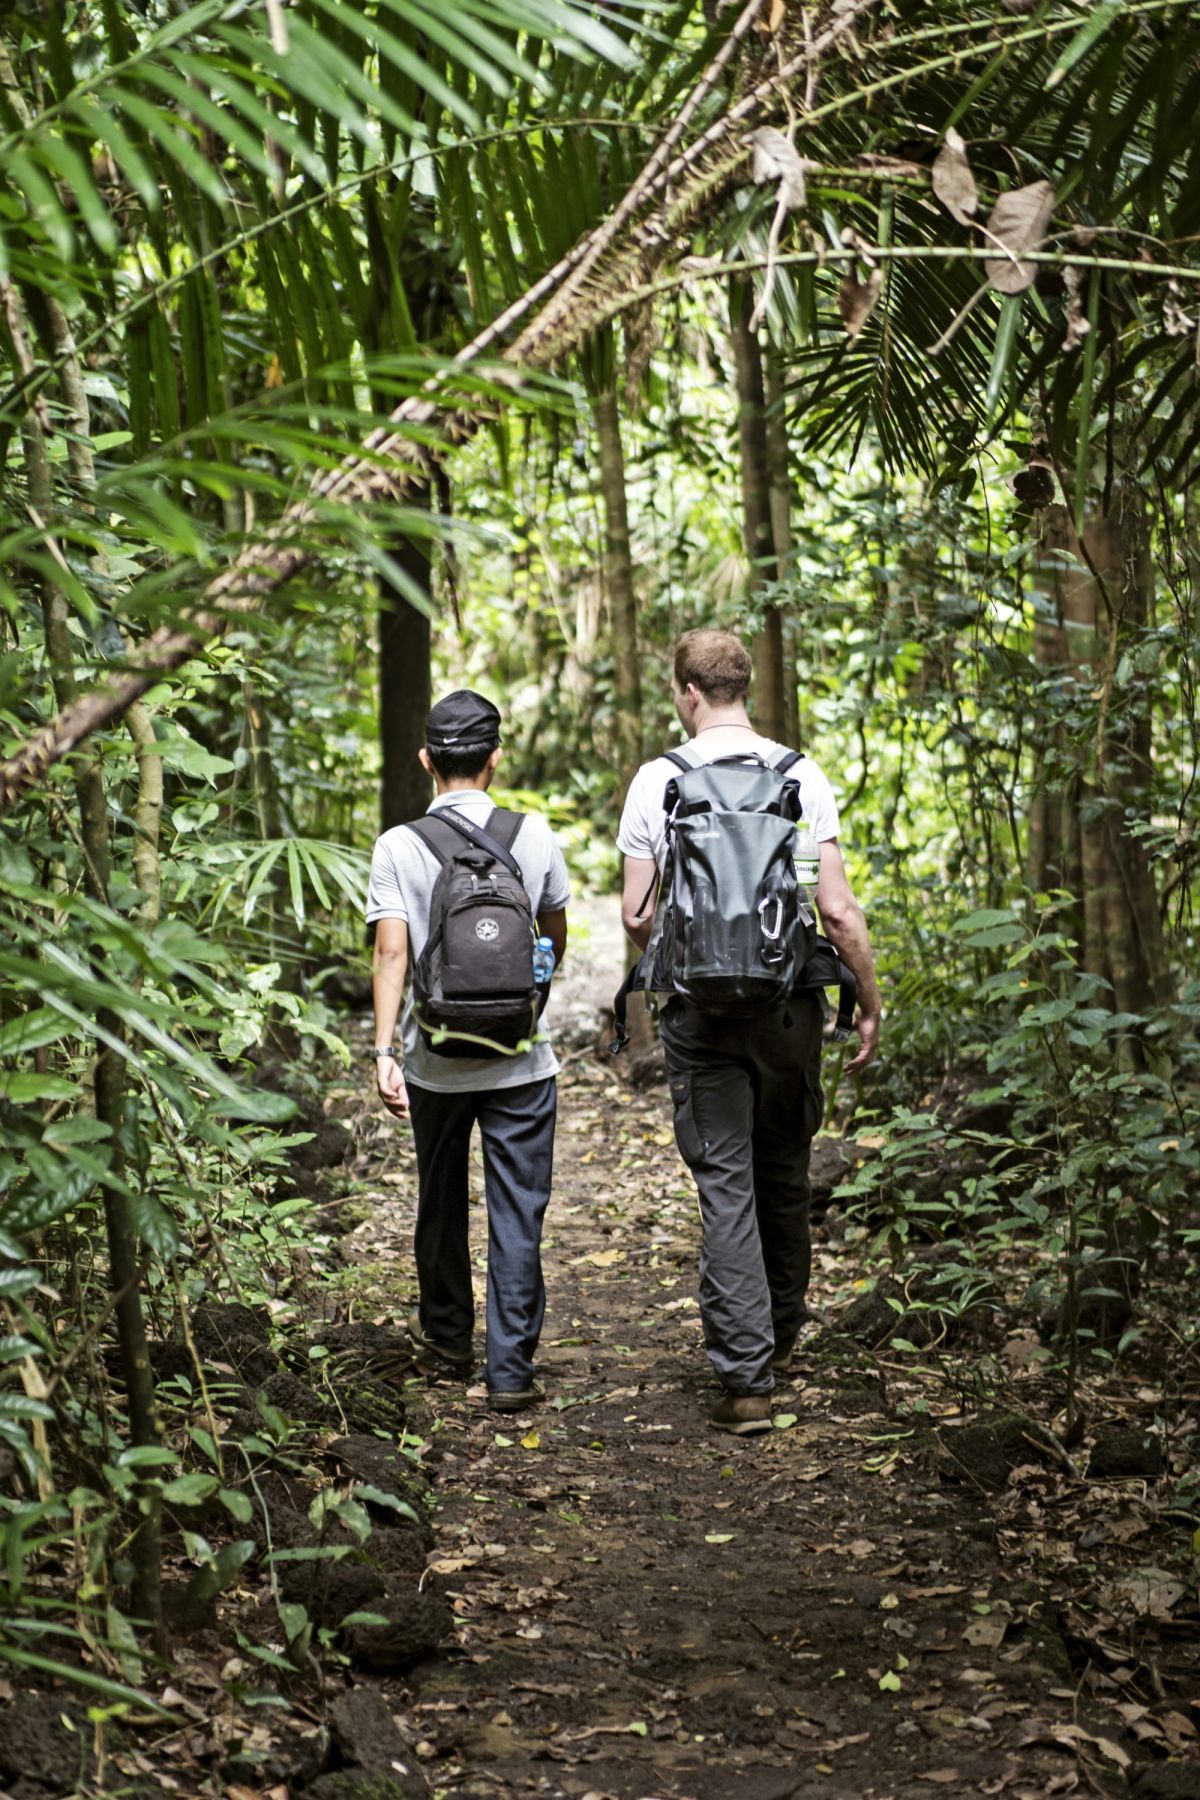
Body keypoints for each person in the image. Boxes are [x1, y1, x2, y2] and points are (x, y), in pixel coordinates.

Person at [617, 629, 881, 1436]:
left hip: (700, 1015)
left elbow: (637, 916)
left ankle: (747, 1379)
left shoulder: (659, 781)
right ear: (745, 687)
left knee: (725, 1185)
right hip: (790, 1007)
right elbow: (834, 910)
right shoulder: (801, 778)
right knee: (783, 1169)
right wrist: (866, 998)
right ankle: (783, 1334)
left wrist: (695, 956)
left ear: (687, 693)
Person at [367, 689, 570, 1412]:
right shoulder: (535, 834)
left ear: (426, 760)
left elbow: (392, 954)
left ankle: (449, 1342)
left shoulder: (400, 845)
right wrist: (525, 1009)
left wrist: (385, 1049)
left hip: (435, 1059)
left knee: (441, 1199)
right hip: (521, 1060)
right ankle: (510, 1370)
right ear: (495, 758)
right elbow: (551, 938)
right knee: (519, 1209)